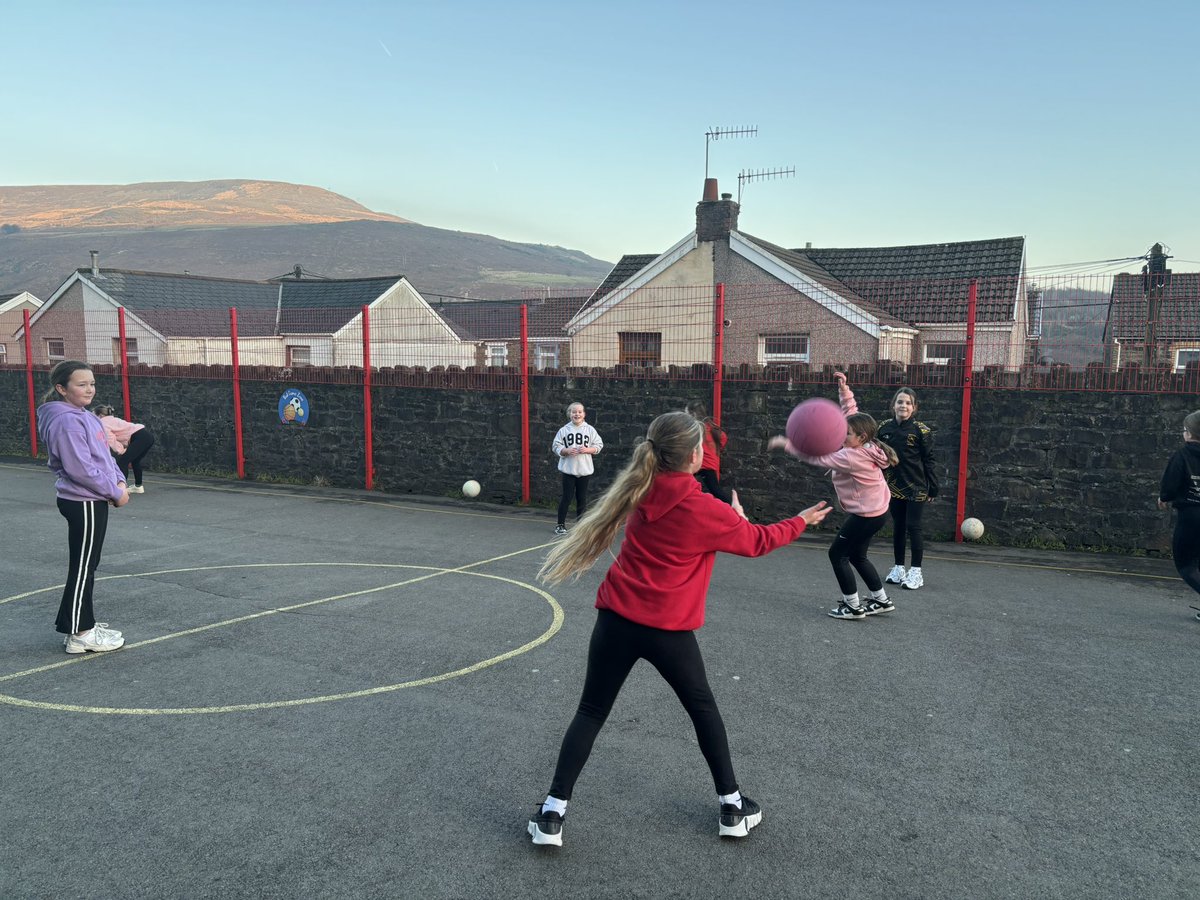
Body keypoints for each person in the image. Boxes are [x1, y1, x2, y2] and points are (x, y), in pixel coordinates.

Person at [528, 411, 831, 847]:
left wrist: (734, 520)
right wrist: (800, 520)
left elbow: (727, 530)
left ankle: (552, 815)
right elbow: (758, 541)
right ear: (694, 456)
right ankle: (731, 807)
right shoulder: (703, 508)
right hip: (667, 630)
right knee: (703, 710)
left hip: (616, 619)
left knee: (591, 712)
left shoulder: (638, 488)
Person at [768, 373, 899, 620]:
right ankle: (881, 600)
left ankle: (852, 606)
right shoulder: (869, 445)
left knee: (837, 554)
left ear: (860, 438)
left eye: (846, 433)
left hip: (865, 516)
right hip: (878, 512)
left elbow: (816, 458)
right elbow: (851, 413)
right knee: (858, 556)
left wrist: (786, 444)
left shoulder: (850, 456)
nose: (841, 435)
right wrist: (844, 390)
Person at [37, 361, 130, 654]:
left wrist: (119, 482)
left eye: (91, 383)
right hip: (83, 500)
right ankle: (80, 633)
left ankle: (81, 622)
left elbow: (103, 456)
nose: (89, 389)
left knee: (87, 565)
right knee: (82, 567)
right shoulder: (66, 421)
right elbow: (80, 469)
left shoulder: (84, 416)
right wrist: (113, 491)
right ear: (62, 388)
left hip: (92, 498)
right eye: (81, 384)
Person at [876, 385, 938, 591]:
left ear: (914, 408)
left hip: (916, 486)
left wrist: (933, 487)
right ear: (893, 405)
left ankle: (916, 572)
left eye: (908, 403)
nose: (904, 405)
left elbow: (929, 460)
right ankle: (899, 568)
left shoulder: (922, 430)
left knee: (914, 527)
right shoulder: (883, 428)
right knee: (898, 527)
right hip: (893, 486)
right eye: (900, 402)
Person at [1157, 409, 1200, 618]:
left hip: (1191, 515)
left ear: (1190, 434)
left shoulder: (1183, 455)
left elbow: (1171, 483)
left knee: (1186, 564)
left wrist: (1164, 498)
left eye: (1184, 430)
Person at [551, 402, 603, 535]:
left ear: (584, 414)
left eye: (580, 412)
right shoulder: (564, 430)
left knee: (582, 498)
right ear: (569, 414)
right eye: (574, 412)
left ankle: (580, 526)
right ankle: (560, 525)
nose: (577, 414)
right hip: (569, 469)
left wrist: (588, 449)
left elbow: (599, 445)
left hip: (584, 470)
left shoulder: (590, 430)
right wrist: (565, 450)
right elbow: (556, 446)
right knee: (566, 497)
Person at [95, 404, 156, 494]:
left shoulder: (103, 423)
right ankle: (138, 486)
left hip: (140, 438)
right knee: (135, 461)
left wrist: (121, 450)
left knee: (122, 462)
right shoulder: (112, 419)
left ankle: (121, 489)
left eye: (94, 415)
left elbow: (111, 439)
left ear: (100, 415)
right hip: (147, 436)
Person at [687, 401, 732, 504]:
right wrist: (715, 449)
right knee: (715, 490)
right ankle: (732, 508)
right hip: (708, 463)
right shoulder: (710, 427)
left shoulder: (696, 429)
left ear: (693, 414)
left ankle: (731, 508)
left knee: (682, 485)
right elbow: (723, 437)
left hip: (701, 463)